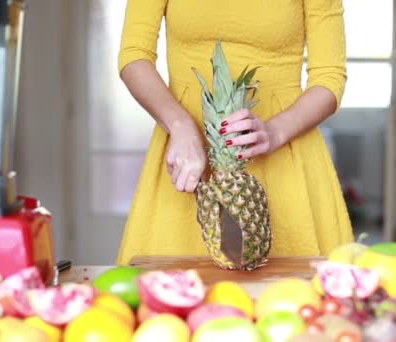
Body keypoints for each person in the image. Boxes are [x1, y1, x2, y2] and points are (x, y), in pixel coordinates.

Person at [116, 0, 354, 265]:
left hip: (286, 155)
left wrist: (275, 131)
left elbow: (329, 76)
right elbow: (134, 55)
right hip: (188, 159)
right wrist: (180, 125)